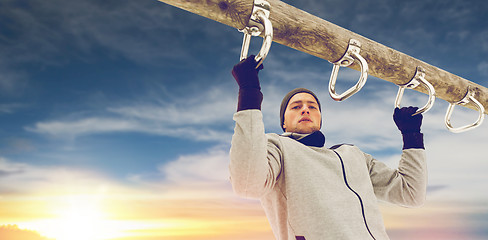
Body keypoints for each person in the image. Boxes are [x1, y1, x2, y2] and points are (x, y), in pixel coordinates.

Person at [229, 56, 427, 240]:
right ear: (284, 123)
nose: (305, 109)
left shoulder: (353, 156)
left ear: (320, 119)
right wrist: (249, 94)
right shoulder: (277, 148)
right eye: (296, 107)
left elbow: (410, 193)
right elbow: (247, 183)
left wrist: (411, 137)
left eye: (312, 106)